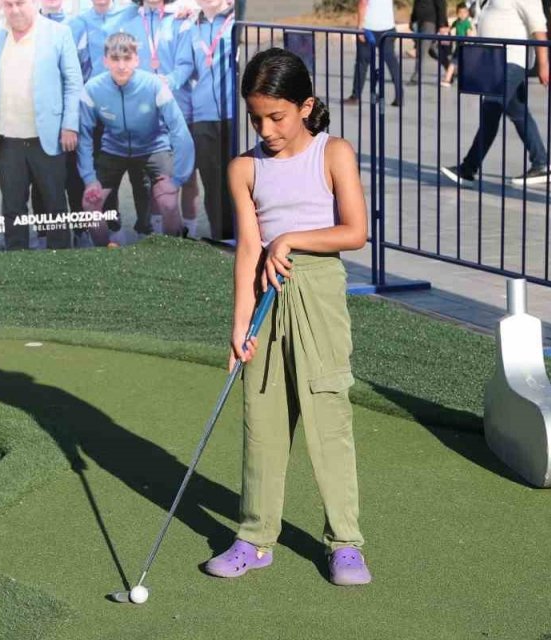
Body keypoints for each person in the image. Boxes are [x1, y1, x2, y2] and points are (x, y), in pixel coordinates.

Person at [211, 47, 371, 586]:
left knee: (328, 419)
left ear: (306, 106)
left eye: (276, 116)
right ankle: (255, 539)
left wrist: (292, 238)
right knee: (262, 424)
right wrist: (238, 324)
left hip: (320, 294)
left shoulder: (334, 153)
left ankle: (345, 543)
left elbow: (354, 231)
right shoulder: (244, 168)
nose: (267, 128)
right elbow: (247, 250)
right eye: (257, 118)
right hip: (266, 301)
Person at [0, 0, 82, 250]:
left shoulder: (59, 33)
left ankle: (61, 261)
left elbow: (73, 83)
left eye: (20, 3)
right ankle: (17, 264)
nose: (15, 9)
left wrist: (70, 124)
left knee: (55, 206)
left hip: (47, 137)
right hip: (7, 139)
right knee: (13, 208)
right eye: (8, 4)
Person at [78, 32, 193, 244]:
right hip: (114, 149)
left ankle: (176, 255)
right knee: (90, 206)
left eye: (127, 58)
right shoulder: (92, 89)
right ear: (105, 61)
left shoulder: (154, 85)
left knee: (167, 202)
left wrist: (177, 179)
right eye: (115, 59)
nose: (121, 66)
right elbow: (84, 137)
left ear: (137, 60)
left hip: (153, 147)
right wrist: (89, 179)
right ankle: (103, 255)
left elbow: (179, 130)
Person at [440, 0, 551, 187]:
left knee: (491, 108)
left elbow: (538, 27)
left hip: (513, 61)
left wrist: (544, 64)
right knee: (519, 114)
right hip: (495, 62)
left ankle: (468, 168)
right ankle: (541, 164)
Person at [123, 0, 201, 239]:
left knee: (187, 178)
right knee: (157, 179)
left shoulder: (180, 20)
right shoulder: (131, 23)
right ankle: (158, 235)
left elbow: (186, 64)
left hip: (179, 109)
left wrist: (167, 83)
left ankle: (191, 235)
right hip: (148, 116)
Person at [169, 0, 233, 240]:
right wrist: (167, 82)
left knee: (238, 181)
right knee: (212, 182)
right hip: (203, 115)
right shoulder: (191, 25)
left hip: (234, 116)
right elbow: (184, 66)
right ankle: (220, 237)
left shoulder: (236, 21)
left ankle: (244, 237)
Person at [342, 0, 402, 108]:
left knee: (362, 63)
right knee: (392, 63)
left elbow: (363, 2)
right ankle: (399, 96)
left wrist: (360, 26)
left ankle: (356, 96)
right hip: (388, 27)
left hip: (369, 28)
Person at [407, 0, 446, 86]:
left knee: (421, 50)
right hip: (419, 22)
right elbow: (416, 4)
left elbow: (441, 5)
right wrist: (413, 19)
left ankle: (416, 78)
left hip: (429, 22)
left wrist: (442, 24)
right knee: (431, 50)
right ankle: (451, 67)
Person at [440, 1, 474, 86]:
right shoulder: (456, 22)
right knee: (452, 63)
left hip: (465, 47)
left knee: (465, 65)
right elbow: (451, 28)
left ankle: (467, 80)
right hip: (458, 47)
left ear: (467, 13)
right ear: (457, 13)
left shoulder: (467, 23)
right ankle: (447, 80)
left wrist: (469, 39)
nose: (462, 14)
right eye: (460, 12)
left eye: (464, 12)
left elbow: (469, 32)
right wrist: (444, 30)